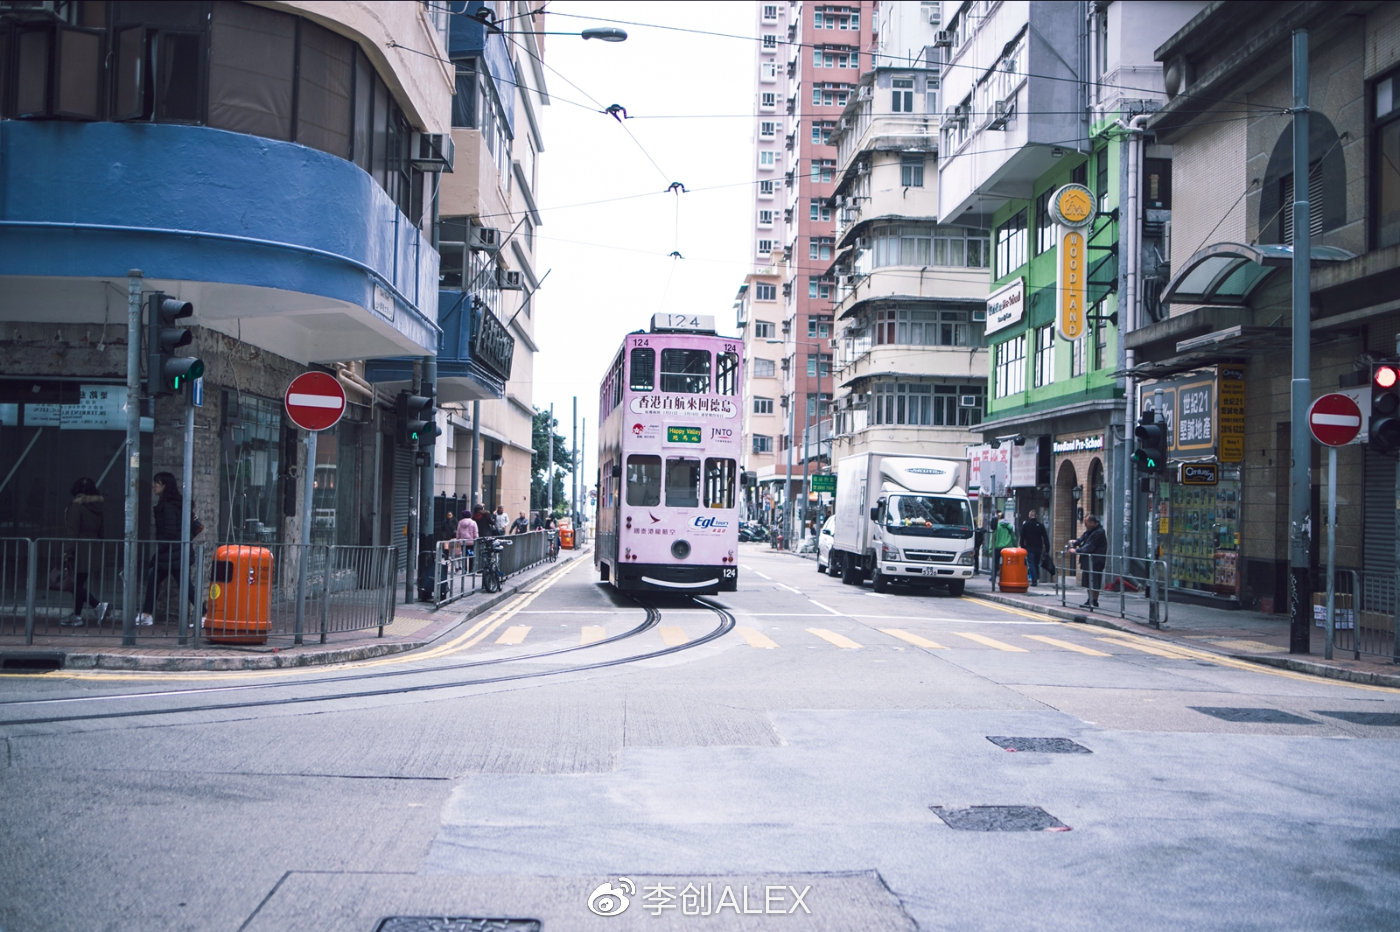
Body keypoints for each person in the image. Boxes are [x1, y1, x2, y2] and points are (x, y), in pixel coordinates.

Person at [135, 472, 197, 627]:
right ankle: (146, 614)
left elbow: (169, 531)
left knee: (183, 584)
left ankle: (203, 613)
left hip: (172, 552)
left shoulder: (168, 506)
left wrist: (161, 547)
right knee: (155, 580)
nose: (154, 486)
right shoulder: (172, 504)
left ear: (164, 486)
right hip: (172, 552)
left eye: (157, 483)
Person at [62, 477, 107, 627]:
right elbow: (102, 531)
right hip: (92, 546)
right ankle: (77, 615)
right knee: (79, 583)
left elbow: (72, 530)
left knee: (73, 584)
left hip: (79, 547)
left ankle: (98, 605)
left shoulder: (76, 506)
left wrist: (67, 551)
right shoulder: (98, 507)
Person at [1069, 514, 1108, 609]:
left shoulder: (1099, 532)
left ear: (1092, 522)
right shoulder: (1090, 531)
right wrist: (1076, 542)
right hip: (1088, 561)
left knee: (1095, 581)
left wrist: (1077, 550)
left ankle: (1094, 600)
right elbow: (1083, 538)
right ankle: (1090, 599)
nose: (1085, 525)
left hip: (1096, 561)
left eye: (1086, 523)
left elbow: (1090, 546)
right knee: (1088, 581)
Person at [1019, 509, 1051, 586]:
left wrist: (1023, 546)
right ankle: (1036, 577)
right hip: (1038, 548)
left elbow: (1022, 537)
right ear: (1036, 516)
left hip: (1029, 548)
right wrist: (1047, 548)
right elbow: (1045, 537)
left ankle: (1034, 580)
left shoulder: (1026, 525)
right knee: (1036, 563)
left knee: (1031, 564)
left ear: (1029, 516)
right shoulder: (1040, 525)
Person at [991, 514, 1016, 585]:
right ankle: (1008, 577)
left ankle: (993, 577)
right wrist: (1015, 546)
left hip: (997, 547)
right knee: (1007, 564)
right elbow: (1013, 538)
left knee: (995, 564)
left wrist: (990, 548)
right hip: (1008, 548)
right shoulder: (1010, 527)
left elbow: (993, 538)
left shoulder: (997, 527)